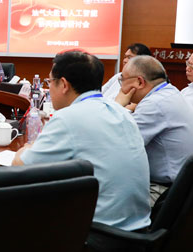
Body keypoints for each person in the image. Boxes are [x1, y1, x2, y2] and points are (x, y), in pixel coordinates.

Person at [13, 50, 150, 232]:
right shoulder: (122, 112)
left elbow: (21, 168)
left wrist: (26, 149)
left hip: (98, 235)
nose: (49, 87)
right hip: (137, 231)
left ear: (63, 84)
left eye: (50, 82)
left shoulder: (68, 117)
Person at [115, 56, 193, 204]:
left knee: (99, 203)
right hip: (189, 188)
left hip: (165, 193)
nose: (121, 88)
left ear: (139, 82)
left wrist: (116, 106)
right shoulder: (170, 93)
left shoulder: (154, 105)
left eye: (122, 80)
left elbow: (118, 145)